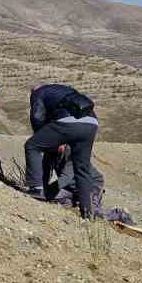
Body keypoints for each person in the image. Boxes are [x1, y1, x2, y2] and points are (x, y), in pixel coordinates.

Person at [24, 83, 104, 216]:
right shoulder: (65, 90)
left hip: (70, 122)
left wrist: (43, 139)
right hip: (92, 123)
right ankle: (87, 212)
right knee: (82, 168)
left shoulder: (39, 93)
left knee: (31, 146)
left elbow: (37, 117)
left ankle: (36, 189)